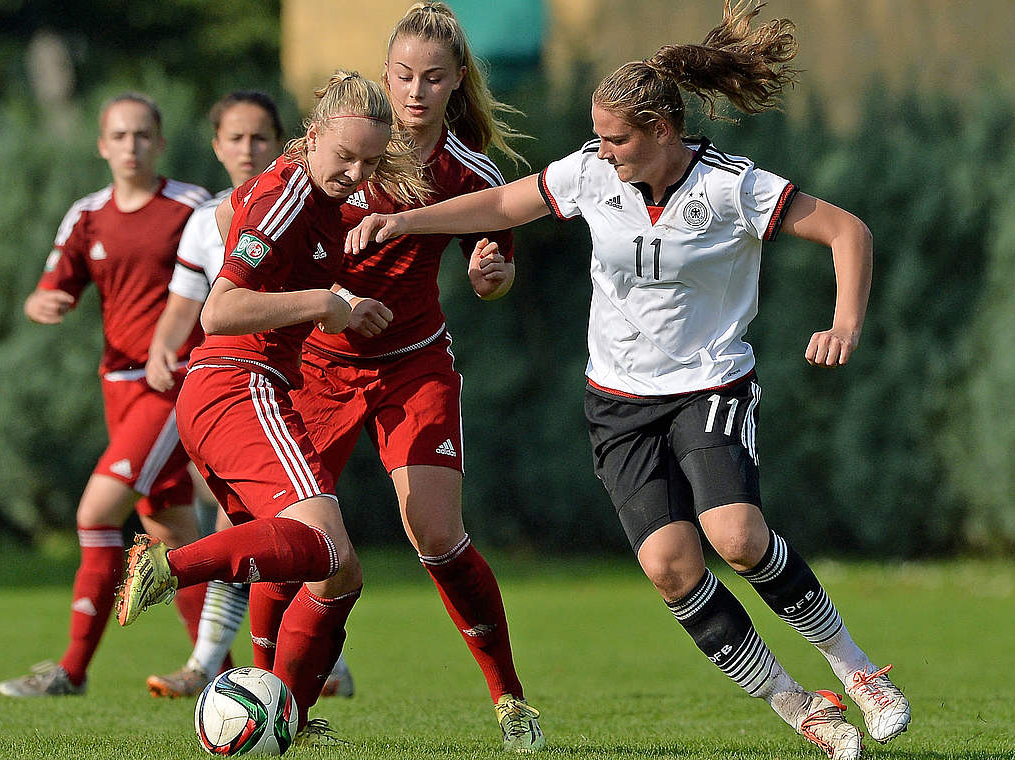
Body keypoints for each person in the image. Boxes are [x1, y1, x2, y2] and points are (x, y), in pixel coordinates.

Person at [347, 5, 912, 759]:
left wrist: (844, 322)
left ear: (662, 133)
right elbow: (506, 201)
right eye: (599, 137)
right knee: (670, 568)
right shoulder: (590, 172)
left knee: (736, 537)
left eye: (616, 139)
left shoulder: (729, 188)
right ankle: (800, 706)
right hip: (617, 402)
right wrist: (410, 223)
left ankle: (859, 671)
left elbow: (848, 231)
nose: (602, 152)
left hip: (709, 386)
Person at [113, 71, 428, 742]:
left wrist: (343, 304)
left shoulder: (298, 194)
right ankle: (167, 564)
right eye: (345, 156)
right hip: (237, 383)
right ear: (312, 137)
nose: (356, 173)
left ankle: (289, 711)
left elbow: (234, 217)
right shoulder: (289, 195)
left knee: (331, 571)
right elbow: (221, 310)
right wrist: (324, 305)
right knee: (322, 545)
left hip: (234, 390)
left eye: (371, 162)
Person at [0, 93, 212, 697]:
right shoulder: (87, 215)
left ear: (160, 143)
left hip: (170, 386)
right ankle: (218, 668)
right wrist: (40, 302)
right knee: (170, 530)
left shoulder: (192, 207)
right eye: (118, 136)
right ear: (101, 145)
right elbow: (50, 286)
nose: (130, 146)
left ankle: (71, 670)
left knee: (96, 514)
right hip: (116, 389)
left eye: (142, 135)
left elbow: (231, 277)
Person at [142, 90, 285, 700]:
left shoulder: (305, 203)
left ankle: (215, 665)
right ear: (217, 147)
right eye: (236, 138)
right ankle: (304, 662)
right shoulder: (206, 221)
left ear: (281, 142)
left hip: (301, 384)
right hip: (233, 388)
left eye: (259, 137)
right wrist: (160, 347)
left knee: (260, 524)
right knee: (251, 520)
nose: (248, 149)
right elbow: (184, 306)